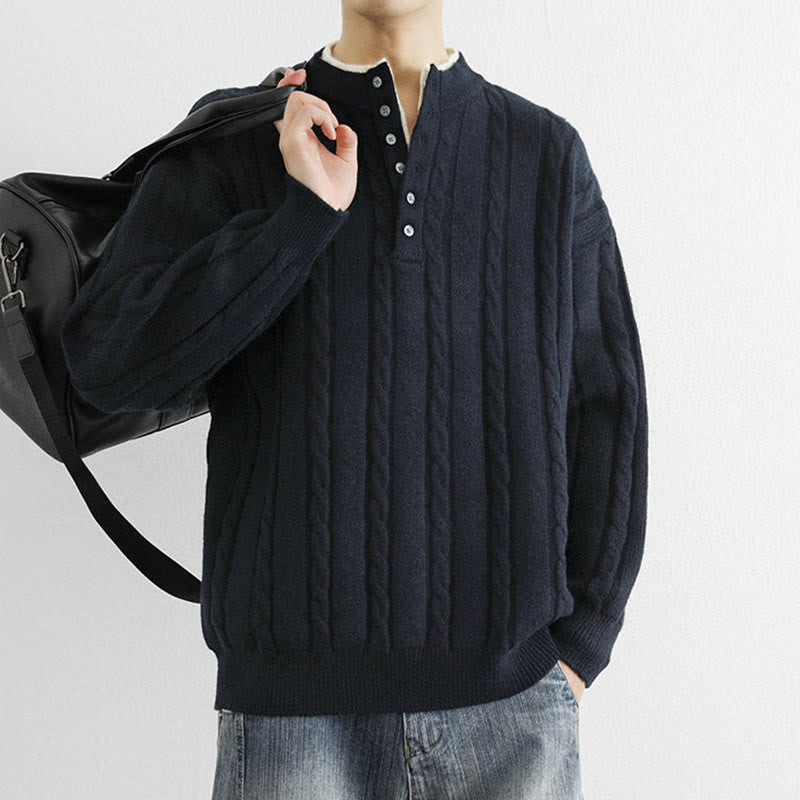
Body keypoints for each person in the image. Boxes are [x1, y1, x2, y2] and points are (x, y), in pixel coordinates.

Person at [60, 1, 648, 797]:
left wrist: (581, 644)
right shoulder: (244, 135)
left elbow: (608, 406)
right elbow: (104, 366)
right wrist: (299, 218)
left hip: (513, 717)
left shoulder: (545, 155)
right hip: (289, 728)